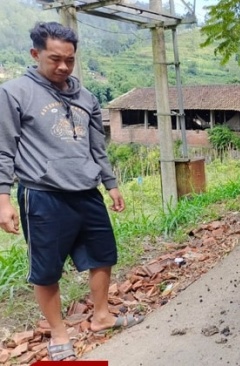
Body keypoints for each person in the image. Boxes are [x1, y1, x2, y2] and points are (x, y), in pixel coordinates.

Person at [0, 22, 143, 361]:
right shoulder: (15, 93)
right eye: (54, 59)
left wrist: (111, 184)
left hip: (87, 190)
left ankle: (101, 316)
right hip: (42, 194)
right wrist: (3, 197)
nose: (63, 66)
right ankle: (59, 332)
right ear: (36, 54)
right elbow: (3, 148)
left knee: (103, 255)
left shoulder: (87, 97)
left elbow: (98, 147)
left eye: (69, 60)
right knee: (46, 268)